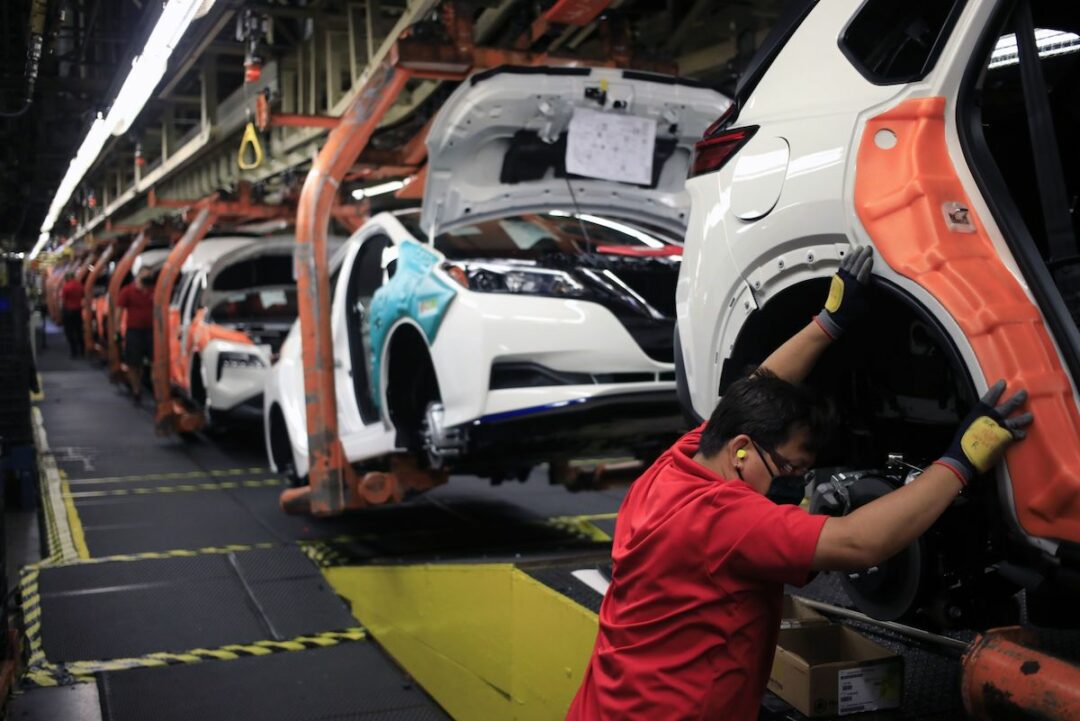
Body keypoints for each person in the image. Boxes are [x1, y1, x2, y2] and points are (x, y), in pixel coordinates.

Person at [565, 246, 1033, 721]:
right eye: (786, 468)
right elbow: (858, 544)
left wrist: (829, 322)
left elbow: (749, 392)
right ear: (742, 450)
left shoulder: (680, 463)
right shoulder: (726, 519)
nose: (792, 482)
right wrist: (959, 460)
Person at [117, 267, 156, 404]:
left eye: (149, 276)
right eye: (145, 276)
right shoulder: (127, 291)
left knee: (155, 363)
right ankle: (136, 391)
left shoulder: (155, 291)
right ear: (137, 276)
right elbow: (119, 310)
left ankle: (156, 392)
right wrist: (116, 331)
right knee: (134, 364)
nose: (147, 279)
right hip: (134, 332)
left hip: (152, 332)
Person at [60, 271, 85, 358]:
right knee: (79, 331)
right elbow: (83, 296)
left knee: (70, 332)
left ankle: (74, 352)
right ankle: (82, 351)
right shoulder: (80, 286)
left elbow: (63, 300)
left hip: (68, 311)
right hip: (78, 311)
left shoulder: (66, 287)